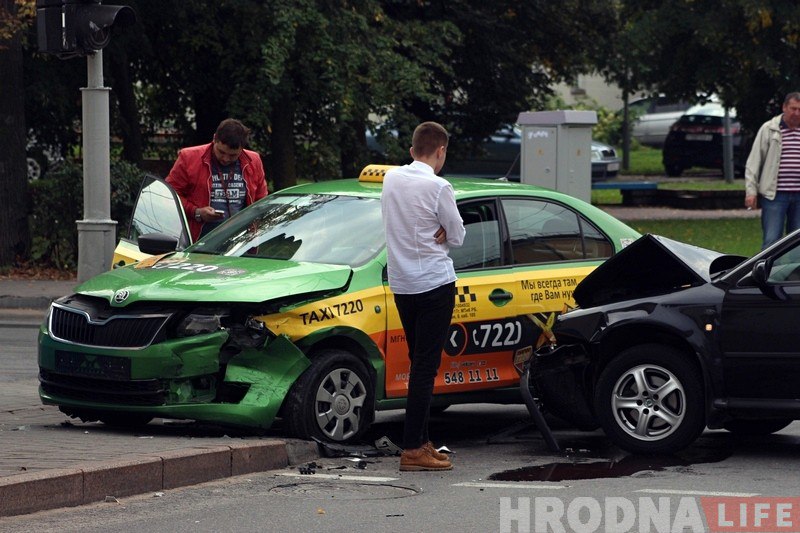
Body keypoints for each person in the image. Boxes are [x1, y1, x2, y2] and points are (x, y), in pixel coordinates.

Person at [381, 121, 466, 471]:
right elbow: (458, 235)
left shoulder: (391, 179)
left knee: (419, 363)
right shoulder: (438, 186)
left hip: (402, 284)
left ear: (413, 148)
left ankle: (423, 441)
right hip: (434, 283)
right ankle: (413, 448)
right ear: (441, 150)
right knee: (425, 368)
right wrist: (445, 228)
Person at [166, 118, 268, 241]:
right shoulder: (189, 158)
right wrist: (197, 212)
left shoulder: (254, 160)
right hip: (199, 241)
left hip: (240, 243)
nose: (225, 159)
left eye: (233, 155)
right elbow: (169, 194)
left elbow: (261, 201)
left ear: (242, 148)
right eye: (221, 152)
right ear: (214, 139)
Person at [745, 92, 800, 249]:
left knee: (797, 245)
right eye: (793, 108)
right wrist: (751, 192)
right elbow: (754, 162)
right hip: (774, 195)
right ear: (784, 107)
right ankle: (765, 273)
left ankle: (791, 273)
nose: (796, 113)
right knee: (771, 241)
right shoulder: (769, 129)